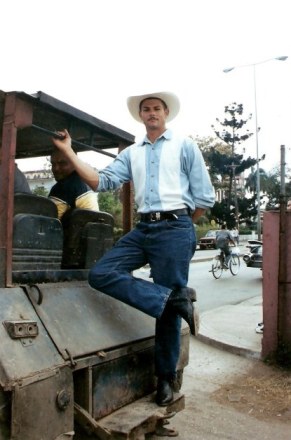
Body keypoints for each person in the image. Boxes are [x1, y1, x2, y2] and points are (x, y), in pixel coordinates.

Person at [52, 91, 215, 406]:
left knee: (166, 317)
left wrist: (181, 225)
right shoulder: (133, 153)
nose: (151, 113)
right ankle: (173, 298)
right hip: (144, 229)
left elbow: (204, 198)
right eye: (146, 109)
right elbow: (101, 181)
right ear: (141, 116)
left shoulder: (185, 146)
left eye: (156, 108)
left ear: (166, 113)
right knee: (101, 272)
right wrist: (69, 152)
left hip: (175, 226)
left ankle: (165, 381)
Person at [49, 148, 99, 219]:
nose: (56, 168)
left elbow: (49, 220)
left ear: (74, 163)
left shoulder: (63, 186)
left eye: (62, 163)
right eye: (53, 164)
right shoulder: (84, 181)